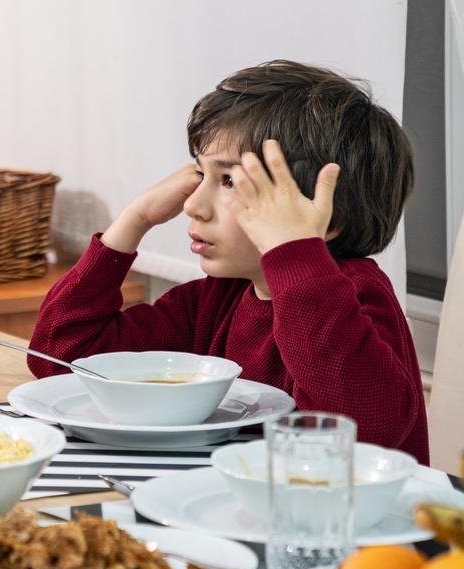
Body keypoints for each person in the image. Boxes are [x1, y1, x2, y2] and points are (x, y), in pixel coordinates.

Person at [27, 60, 427, 461]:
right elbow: (61, 361)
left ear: (324, 215)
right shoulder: (219, 298)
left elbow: (360, 435)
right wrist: (134, 221)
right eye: (201, 175)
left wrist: (297, 253)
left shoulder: (354, 294)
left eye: (229, 181)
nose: (192, 205)